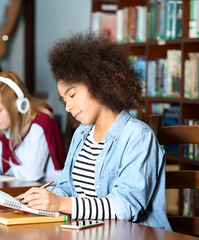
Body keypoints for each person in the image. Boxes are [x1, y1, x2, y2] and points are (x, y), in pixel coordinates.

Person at [18, 31, 172, 231]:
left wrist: (61, 204)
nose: (67, 107)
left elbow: (126, 206)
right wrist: (43, 199)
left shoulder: (137, 136)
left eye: (72, 95)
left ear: (99, 83)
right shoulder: (82, 134)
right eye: (64, 100)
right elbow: (67, 188)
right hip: (88, 231)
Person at [0, 71, 66, 182]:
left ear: (19, 106)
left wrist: (7, 170)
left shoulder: (39, 125)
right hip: (19, 186)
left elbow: (31, 174)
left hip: (47, 189)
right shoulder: (2, 125)